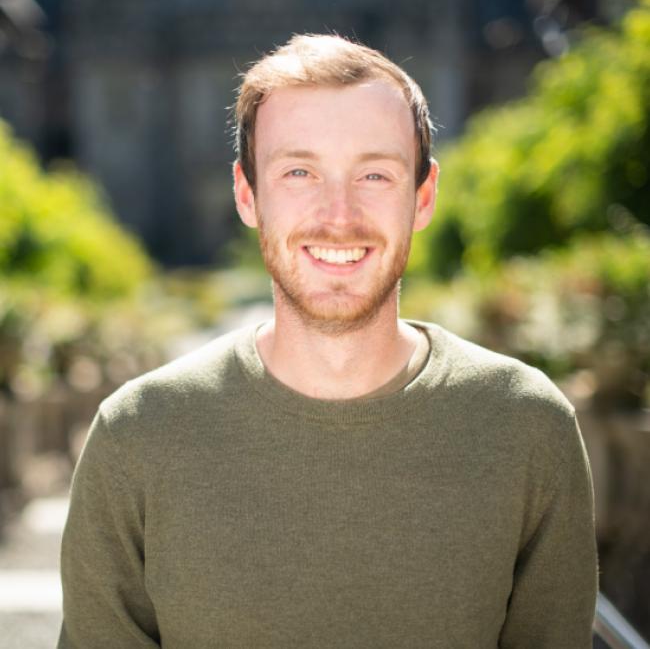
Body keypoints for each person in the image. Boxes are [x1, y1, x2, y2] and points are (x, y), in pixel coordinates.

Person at [58, 34, 598, 648]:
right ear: (246, 194)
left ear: (423, 196)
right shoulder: (135, 435)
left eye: (373, 173)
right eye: (299, 172)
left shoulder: (527, 425)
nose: (338, 215)